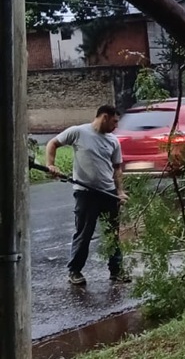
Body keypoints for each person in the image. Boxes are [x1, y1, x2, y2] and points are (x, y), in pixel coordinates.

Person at [45, 105, 130, 285]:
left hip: (108, 193)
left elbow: (117, 169)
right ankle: (75, 271)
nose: (116, 126)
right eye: (114, 122)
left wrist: (120, 192)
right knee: (84, 233)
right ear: (104, 117)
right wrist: (51, 164)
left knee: (112, 233)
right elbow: (53, 143)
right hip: (85, 193)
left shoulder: (113, 141)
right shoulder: (78, 132)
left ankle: (116, 271)